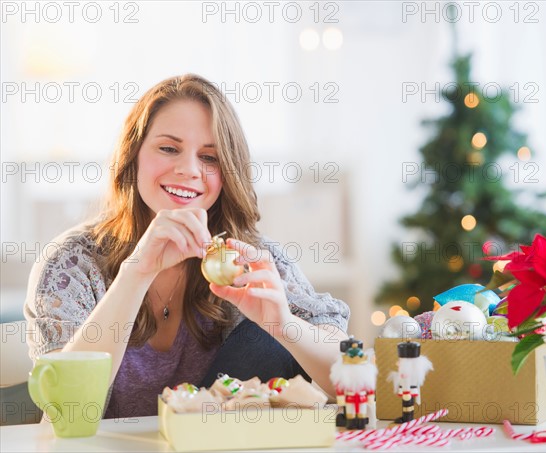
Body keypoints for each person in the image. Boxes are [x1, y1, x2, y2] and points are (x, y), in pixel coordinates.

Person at [24, 74, 350, 419]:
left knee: (266, 338)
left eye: (209, 157)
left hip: (215, 444)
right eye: (168, 148)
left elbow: (351, 380)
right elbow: (67, 411)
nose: (189, 170)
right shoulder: (72, 264)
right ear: (133, 156)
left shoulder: (248, 259)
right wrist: (138, 272)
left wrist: (284, 326)